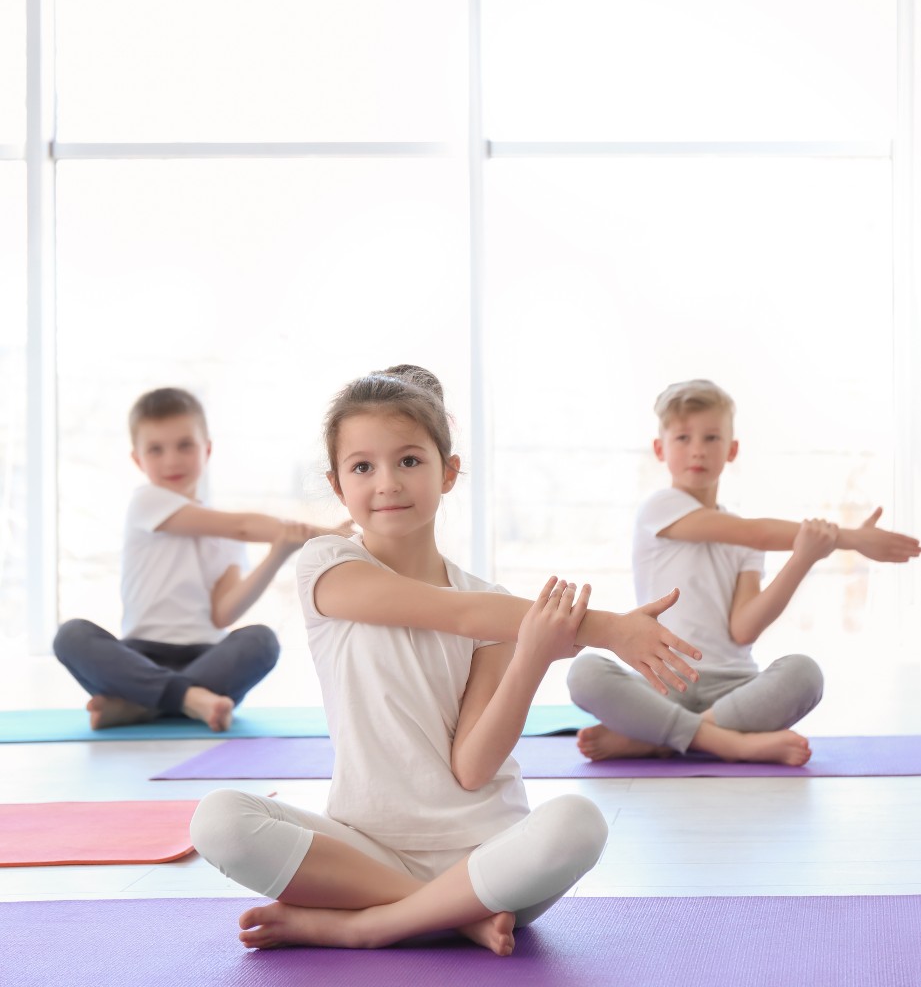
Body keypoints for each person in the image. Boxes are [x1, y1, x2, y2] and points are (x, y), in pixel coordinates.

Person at [190, 366, 702, 956]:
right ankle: (447, 917)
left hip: (490, 862)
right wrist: (607, 627)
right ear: (337, 485)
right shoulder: (326, 566)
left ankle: (371, 926)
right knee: (219, 819)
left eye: (409, 461)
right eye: (363, 466)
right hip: (364, 853)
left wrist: (534, 656)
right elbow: (450, 613)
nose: (387, 483)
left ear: (448, 472)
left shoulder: (499, 613)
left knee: (579, 823)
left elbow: (472, 768)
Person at [567, 378, 920, 767]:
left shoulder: (743, 538)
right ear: (660, 449)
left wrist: (803, 557)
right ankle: (727, 743)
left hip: (734, 689)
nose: (697, 450)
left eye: (712, 438)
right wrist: (851, 538)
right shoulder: (660, 508)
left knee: (805, 674)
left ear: (731, 449)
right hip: (662, 684)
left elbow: (744, 630)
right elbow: (756, 532)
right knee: (585, 672)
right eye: (683, 438)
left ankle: (660, 739)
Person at [53, 386, 351, 732]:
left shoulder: (224, 538)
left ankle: (142, 705)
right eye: (156, 449)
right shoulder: (147, 503)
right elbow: (241, 526)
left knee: (261, 641)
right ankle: (190, 700)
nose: (171, 460)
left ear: (206, 449)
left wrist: (278, 553)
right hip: (137, 660)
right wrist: (326, 532)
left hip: (208, 659)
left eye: (185, 445)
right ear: (138, 460)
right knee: (70, 635)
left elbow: (223, 613)